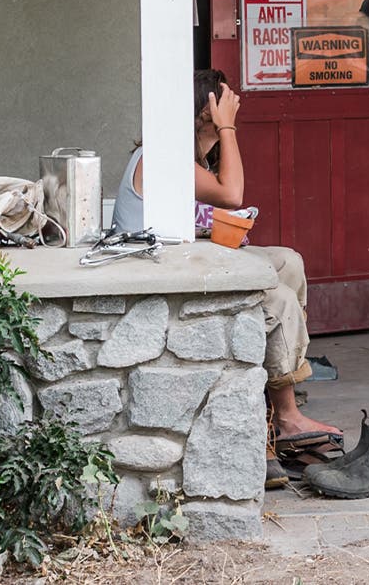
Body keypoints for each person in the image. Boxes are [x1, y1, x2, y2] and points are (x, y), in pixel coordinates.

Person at [111, 69, 339, 443]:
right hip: (155, 273)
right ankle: (287, 416)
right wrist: (227, 129)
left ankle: (282, 381)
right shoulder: (161, 156)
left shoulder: (184, 156)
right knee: (278, 298)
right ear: (206, 112)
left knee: (289, 261)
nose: (235, 110)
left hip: (176, 260)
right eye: (226, 104)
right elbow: (232, 194)